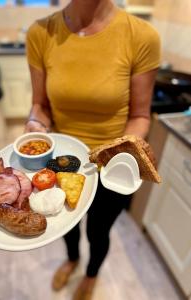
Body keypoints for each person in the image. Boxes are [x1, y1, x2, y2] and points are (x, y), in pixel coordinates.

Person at [25, 0, 161, 299]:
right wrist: (35, 123)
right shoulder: (40, 32)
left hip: (112, 167)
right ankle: (72, 259)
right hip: (61, 162)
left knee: (98, 231)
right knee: (65, 224)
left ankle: (91, 274)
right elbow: (41, 105)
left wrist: (127, 148)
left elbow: (140, 117)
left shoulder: (141, 36)